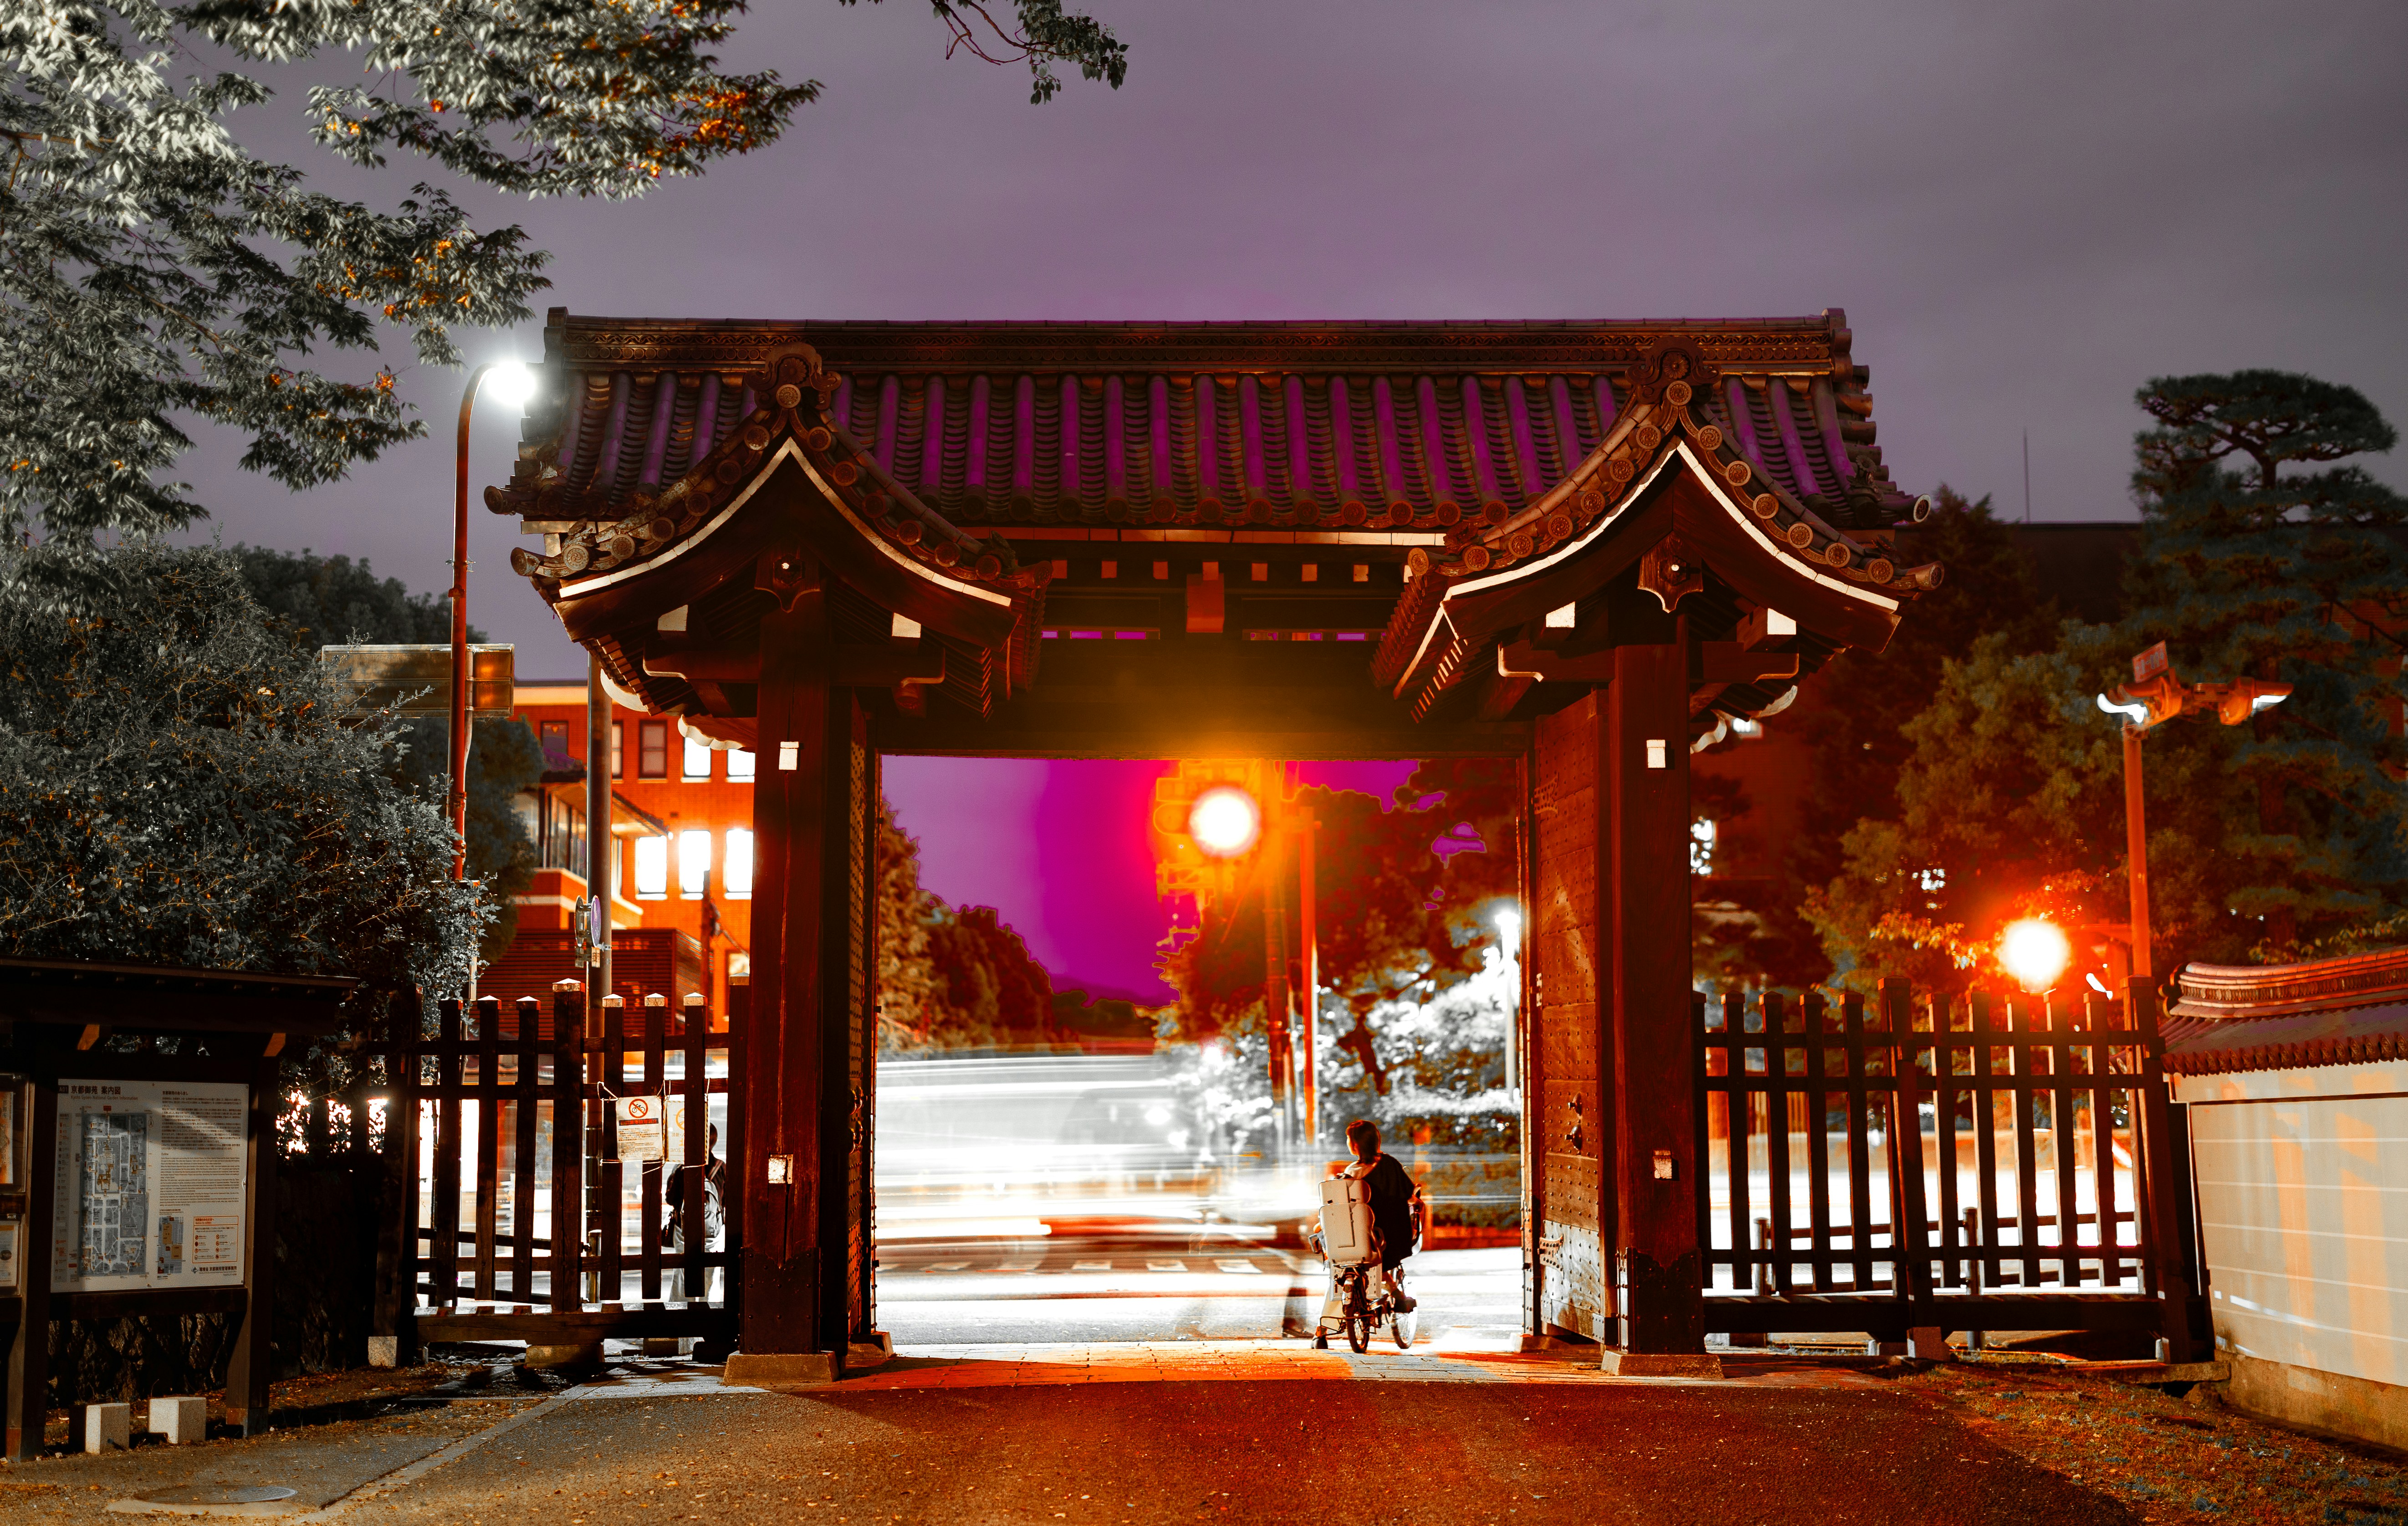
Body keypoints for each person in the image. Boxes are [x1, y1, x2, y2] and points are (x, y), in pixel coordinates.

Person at [1341, 1118, 1421, 1312]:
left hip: (1360, 1235)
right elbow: (1410, 1197)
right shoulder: (1391, 1164)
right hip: (1393, 1236)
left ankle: (1392, 1292)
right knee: (1379, 1255)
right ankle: (1395, 1293)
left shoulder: (1351, 1172)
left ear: (1355, 1144)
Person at [664, 1122, 726, 1305]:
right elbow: (726, 1200)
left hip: (685, 1230)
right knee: (711, 1275)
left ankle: (681, 1313)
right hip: (713, 1231)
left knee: (683, 1273)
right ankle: (710, 1316)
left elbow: (670, 1198)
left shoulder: (683, 1169)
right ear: (713, 1142)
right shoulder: (721, 1168)